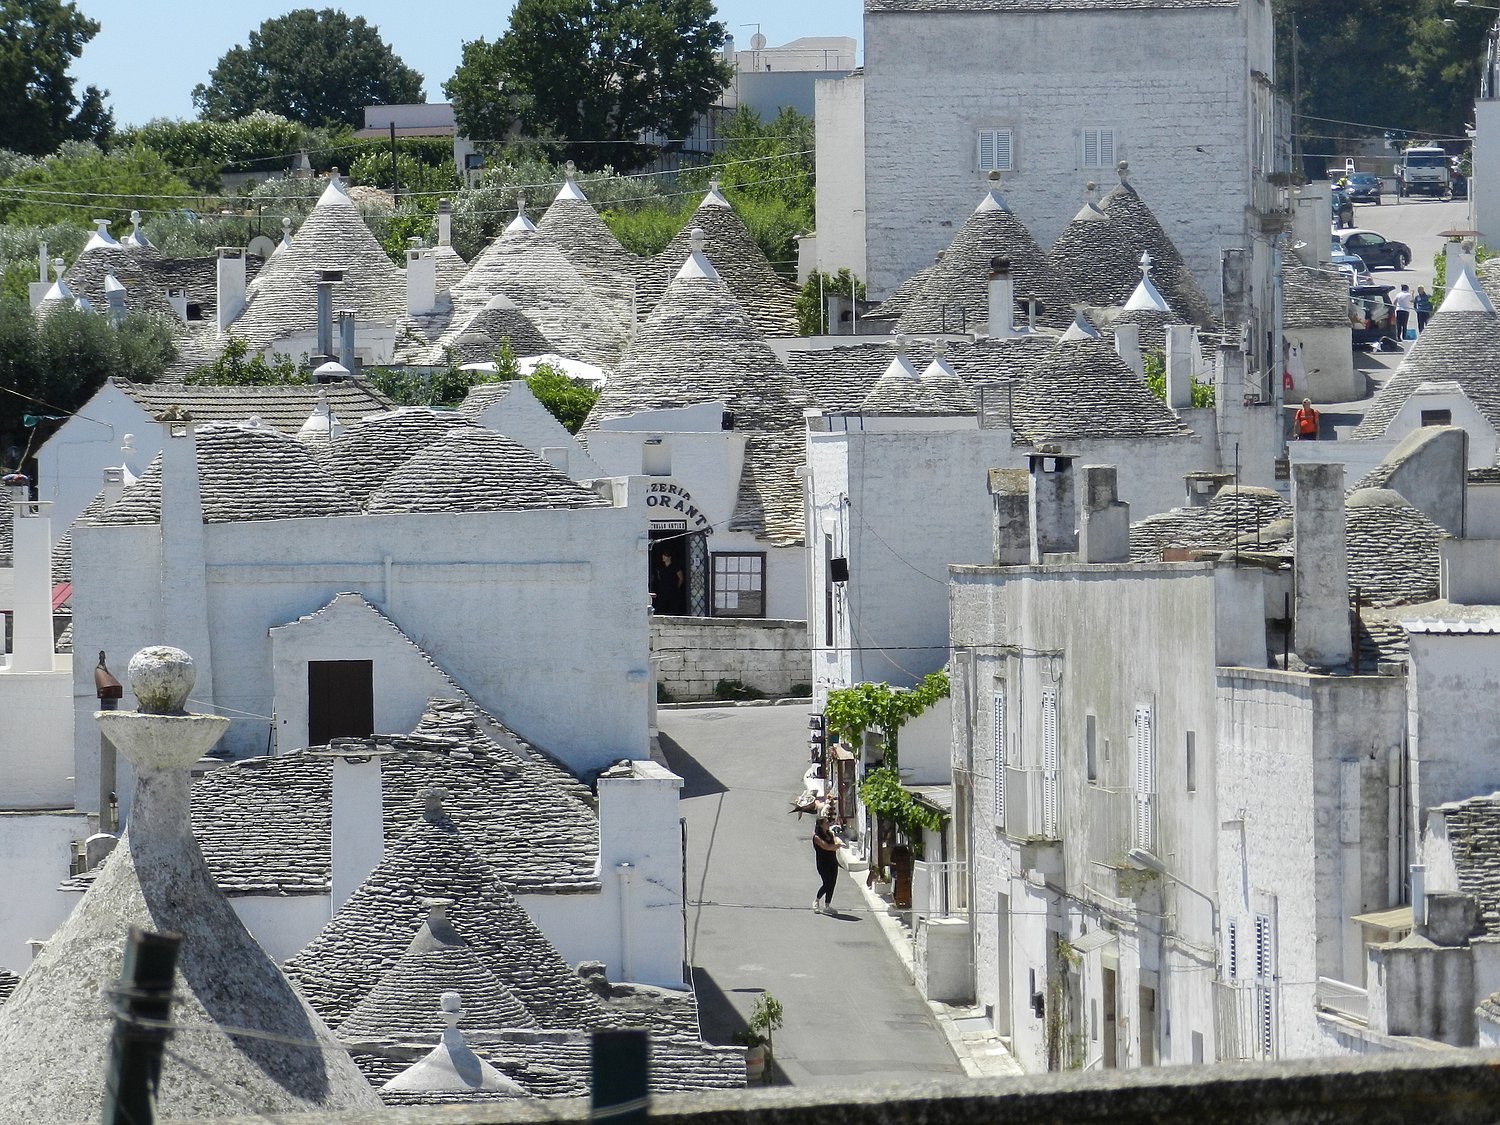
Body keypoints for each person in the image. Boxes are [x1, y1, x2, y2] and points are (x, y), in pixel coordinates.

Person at [812, 814, 842, 915]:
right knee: (827, 883)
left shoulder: (830, 833)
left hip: (833, 862)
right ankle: (816, 901)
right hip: (823, 863)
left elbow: (836, 841)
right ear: (821, 825)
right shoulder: (816, 837)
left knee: (832, 883)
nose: (828, 824)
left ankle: (827, 904)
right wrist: (835, 846)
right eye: (826, 823)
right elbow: (826, 847)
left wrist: (835, 845)